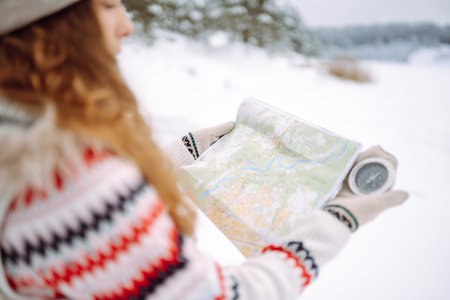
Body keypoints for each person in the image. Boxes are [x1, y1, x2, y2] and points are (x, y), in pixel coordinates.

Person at [0, 1, 409, 299]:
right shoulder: (69, 183)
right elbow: (226, 295)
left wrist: (179, 154)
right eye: (107, 6)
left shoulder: (21, 141)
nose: (127, 24)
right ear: (52, 28)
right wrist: (336, 219)